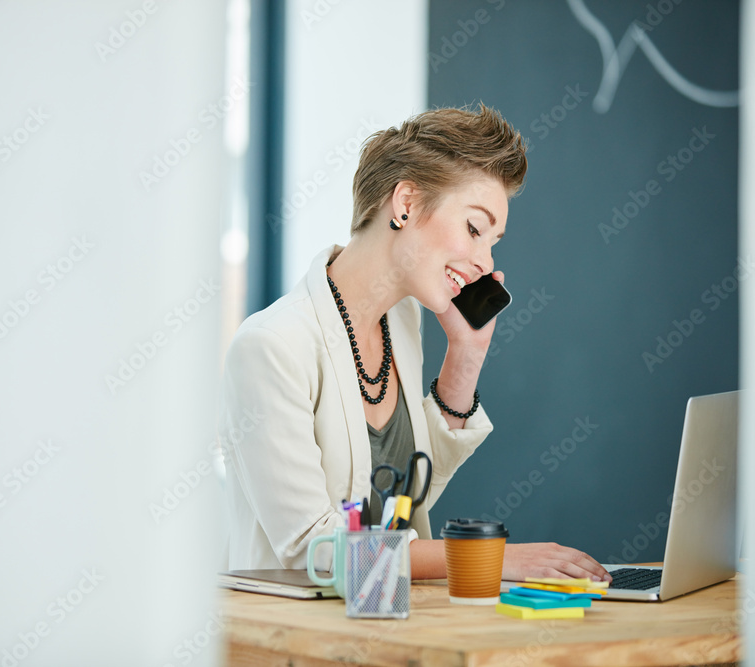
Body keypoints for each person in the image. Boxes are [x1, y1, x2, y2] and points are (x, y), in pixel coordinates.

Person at [218, 104, 611, 583]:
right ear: (405, 203)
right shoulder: (270, 347)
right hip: (299, 643)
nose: (486, 263)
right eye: (474, 228)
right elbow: (312, 551)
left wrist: (465, 356)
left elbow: (409, 495)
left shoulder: (400, 320)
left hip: (391, 621)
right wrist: (487, 557)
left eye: (494, 241)